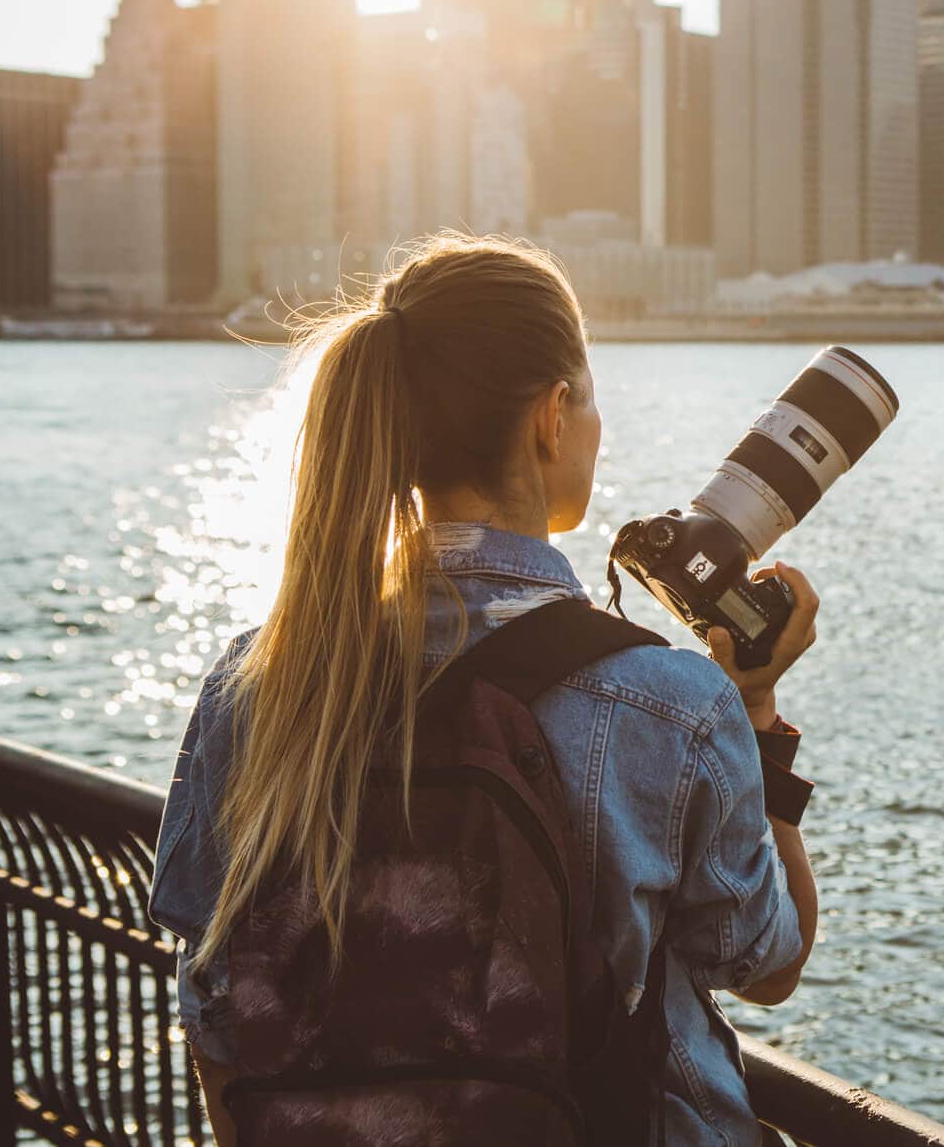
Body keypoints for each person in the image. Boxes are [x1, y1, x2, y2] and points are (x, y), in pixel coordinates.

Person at [150, 235, 820, 1145]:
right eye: (588, 399)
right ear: (552, 415)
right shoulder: (669, 702)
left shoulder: (254, 683)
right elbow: (765, 958)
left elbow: (219, 1013)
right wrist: (755, 712)